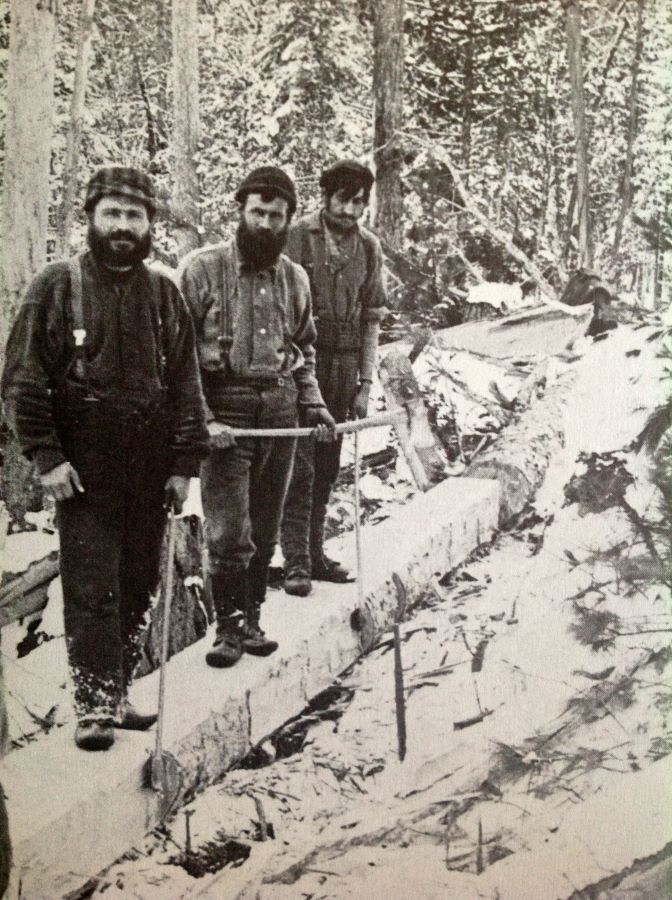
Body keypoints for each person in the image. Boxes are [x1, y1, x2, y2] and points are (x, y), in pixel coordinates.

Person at [1, 167, 209, 751]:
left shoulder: (165, 293)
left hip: (149, 464)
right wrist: (46, 457)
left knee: (139, 579)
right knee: (93, 583)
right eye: (112, 213)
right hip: (84, 466)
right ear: (90, 218)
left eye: (134, 215)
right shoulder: (57, 286)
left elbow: (186, 385)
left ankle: (116, 693)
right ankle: (93, 703)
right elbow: (21, 380)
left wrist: (183, 464)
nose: (123, 226)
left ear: (149, 225)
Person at [178, 166, 336, 669]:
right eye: (257, 213)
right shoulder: (201, 270)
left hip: (282, 411)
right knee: (228, 530)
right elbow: (178, 359)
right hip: (226, 415)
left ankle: (251, 619)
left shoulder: (295, 278)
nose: (266, 224)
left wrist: (313, 405)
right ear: (241, 212)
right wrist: (203, 419)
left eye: (276, 215)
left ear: (289, 220)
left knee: (265, 525)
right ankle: (225, 628)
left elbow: (304, 349)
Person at [280, 160, 386, 596]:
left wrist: (365, 383)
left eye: (359, 201)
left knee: (326, 465)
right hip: (304, 361)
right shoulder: (297, 236)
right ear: (324, 196)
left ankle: (316, 554)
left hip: (344, 365)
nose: (349, 209)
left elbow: (373, 319)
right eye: (342, 198)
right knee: (299, 463)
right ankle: (295, 564)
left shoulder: (370, 247)